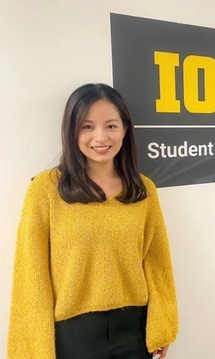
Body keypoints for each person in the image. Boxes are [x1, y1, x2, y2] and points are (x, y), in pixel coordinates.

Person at [8, 83, 178, 359]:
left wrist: (163, 324)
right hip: (71, 338)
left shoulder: (144, 190)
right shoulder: (46, 189)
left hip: (134, 334)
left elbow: (157, 263)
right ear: (71, 131)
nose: (100, 137)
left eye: (111, 126)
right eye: (87, 126)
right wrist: (33, 350)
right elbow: (31, 276)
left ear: (125, 129)